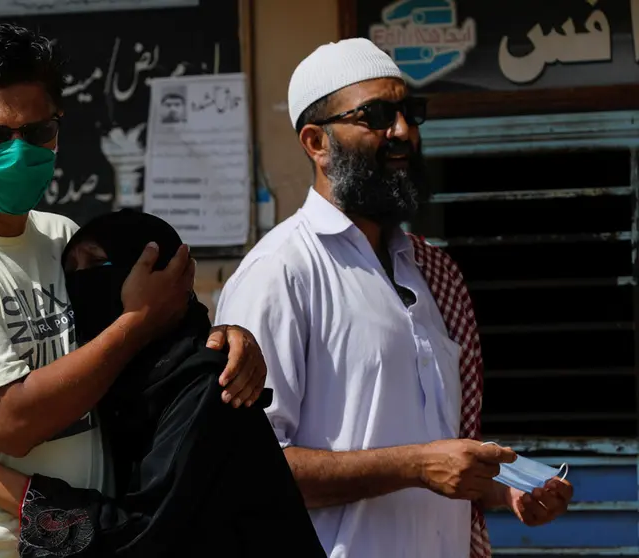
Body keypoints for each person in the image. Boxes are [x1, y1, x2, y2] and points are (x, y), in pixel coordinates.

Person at [0, 24, 267, 558]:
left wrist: (225, 339)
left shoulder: (67, 242)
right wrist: (135, 323)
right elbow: (12, 422)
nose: (18, 150)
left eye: (37, 132)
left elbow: (151, 350)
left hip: (73, 544)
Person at [213, 38, 574, 558]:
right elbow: (246, 471)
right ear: (317, 142)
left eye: (410, 112)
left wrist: (504, 490)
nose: (403, 131)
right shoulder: (280, 273)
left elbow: (432, 448)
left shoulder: (426, 270)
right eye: (378, 116)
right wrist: (417, 464)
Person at [0, 209, 327, 557]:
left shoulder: (208, 387)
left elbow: (141, 537)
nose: (81, 282)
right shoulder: (119, 384)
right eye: (70, 271)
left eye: (97, 265)